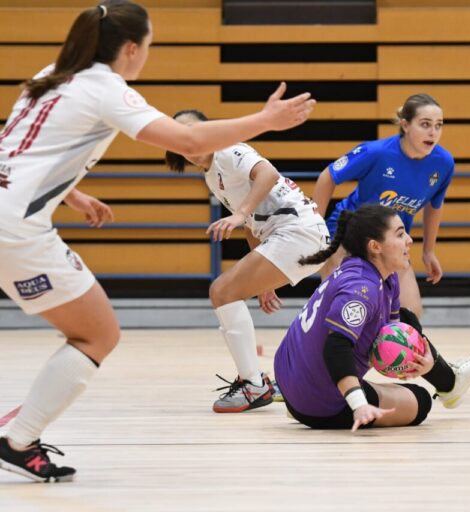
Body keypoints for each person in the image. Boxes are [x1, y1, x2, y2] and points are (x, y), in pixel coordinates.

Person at [0, 0, 315, 483]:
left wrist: (74, 194)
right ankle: (19, 438)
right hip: (15, 226)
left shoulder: (50, 75)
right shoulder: (105, 88)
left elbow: (16, 150)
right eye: (148, 47)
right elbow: (189, 142)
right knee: (97, 334)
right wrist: (264, 120)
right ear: (131, 49)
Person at [273, 204, 470, 431]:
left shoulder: (378, 274)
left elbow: (397, 329)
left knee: (406, 321)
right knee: (421, 401)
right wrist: (359, 405)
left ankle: (449, 380)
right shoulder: (362, 288)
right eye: (400, 234)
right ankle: (450, 383)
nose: (409, 239)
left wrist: (424, 363)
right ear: (375, 246)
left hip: (290, 378)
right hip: (320, 403)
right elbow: (335, 348)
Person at [165, 109, 329, 413]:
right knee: (224, 292)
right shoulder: (211, 175)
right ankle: (254, 381)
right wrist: (262, 283)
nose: (189, 139)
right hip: (291, 236)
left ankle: (254, 385)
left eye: (194, 129)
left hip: (300, 231)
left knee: (222, 291)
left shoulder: (229, 150)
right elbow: (253, 225)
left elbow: (268, 174)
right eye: (180, 135)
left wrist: (240, 213)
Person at [311, 94, 453, 319]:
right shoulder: (376, 153)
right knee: (343, 310)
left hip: (392, 241)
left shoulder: (443, 163)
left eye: (438, 126)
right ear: (405, 125)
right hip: (349, 234)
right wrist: (313, 226)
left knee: (411, 317)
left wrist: (429, 251)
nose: (433, 132)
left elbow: (435, 205)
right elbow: (328, 176)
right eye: (425, 124)